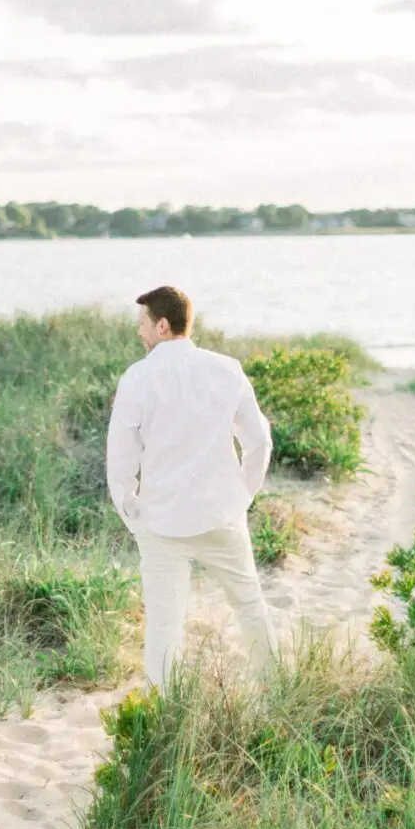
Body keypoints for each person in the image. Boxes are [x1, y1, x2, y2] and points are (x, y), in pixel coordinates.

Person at [106, 284, 277, 689]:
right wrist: (242, 496)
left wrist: (130, 511)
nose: (139, 333)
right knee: (250, 605)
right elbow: (260, 442)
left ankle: (166, 711)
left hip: (162, 521)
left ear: (162, 325)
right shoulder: (226, 368)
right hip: (222, 514)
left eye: (143, 325)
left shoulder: (137, 378)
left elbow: (121, 459)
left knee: (165, 624)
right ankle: (276, 691)